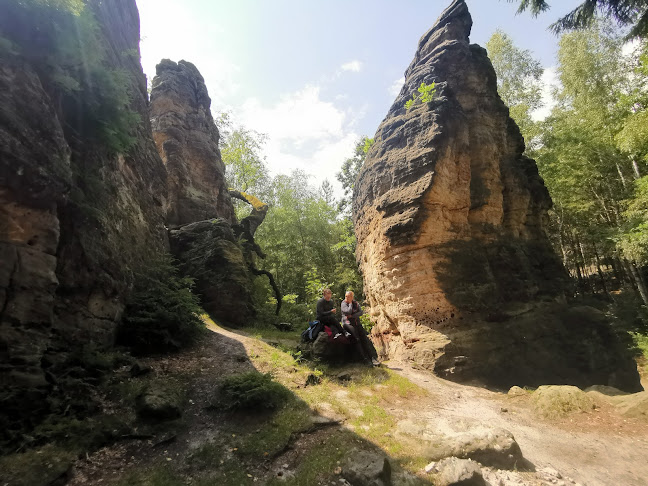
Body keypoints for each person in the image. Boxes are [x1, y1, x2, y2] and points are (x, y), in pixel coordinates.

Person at [341, 291, 379, 366]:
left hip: (356, 323)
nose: (346, 298)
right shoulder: (343, 304)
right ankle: (365, 359)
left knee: (364, 338)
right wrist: (350, 304)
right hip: (348, 324)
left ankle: (372, 358)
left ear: (352, 297)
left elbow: (360, 312)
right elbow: (347, 312)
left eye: (348, 296)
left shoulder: (356, 303)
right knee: (357, 339)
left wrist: (352, 316)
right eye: (346, 296)